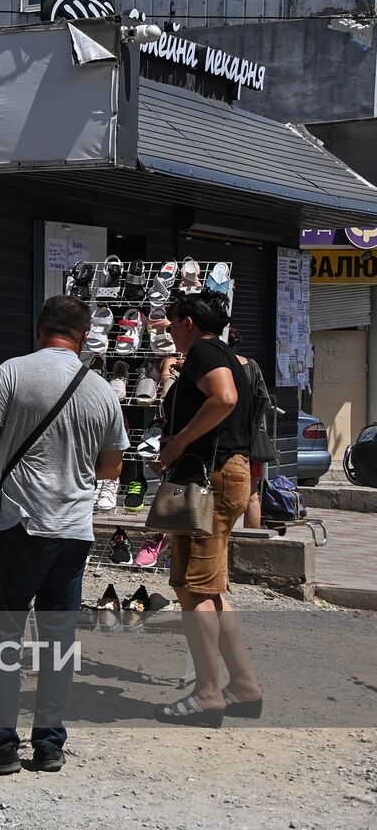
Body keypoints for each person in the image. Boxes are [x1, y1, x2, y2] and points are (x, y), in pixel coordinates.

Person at [0, 296, 128, 774]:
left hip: (22, 522)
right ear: (85, 336)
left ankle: (0, 746)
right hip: (75, 529)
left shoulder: (13, 372)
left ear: (39, 329)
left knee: (4, 634)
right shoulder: (103, 391)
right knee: (58, 639)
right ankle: (50, 745)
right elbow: (111, 466)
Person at [154, 291, 263, 723]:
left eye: (171, 323)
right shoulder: (225, 355)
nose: (169, 333)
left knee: (193, 588)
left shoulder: (204, 352)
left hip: (208, 478)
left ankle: (207, 694)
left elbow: (225, 398)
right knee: (208, 586)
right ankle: (243, 686)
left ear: (186, 322)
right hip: (223, 475)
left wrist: (178, 442)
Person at [225, 328, 275, 530]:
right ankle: (251, 540)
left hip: (225, 437)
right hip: (251, 437)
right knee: (252, 495)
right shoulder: (251, 365)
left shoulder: (217, 365)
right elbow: (264, 399)